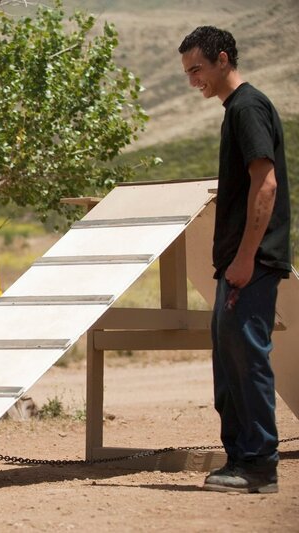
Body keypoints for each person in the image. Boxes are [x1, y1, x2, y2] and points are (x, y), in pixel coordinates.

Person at [178, 26, 292, 494]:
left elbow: (265, 185)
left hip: (252, 263)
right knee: (230, 362)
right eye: (187, 73)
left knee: (246, 359)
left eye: (197, 69)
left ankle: (259, 465)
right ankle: (241, 461)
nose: (193, 81)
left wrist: (245, 259)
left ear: (223, 59)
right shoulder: (236, 110)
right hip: (236, 264)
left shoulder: (247, 107)